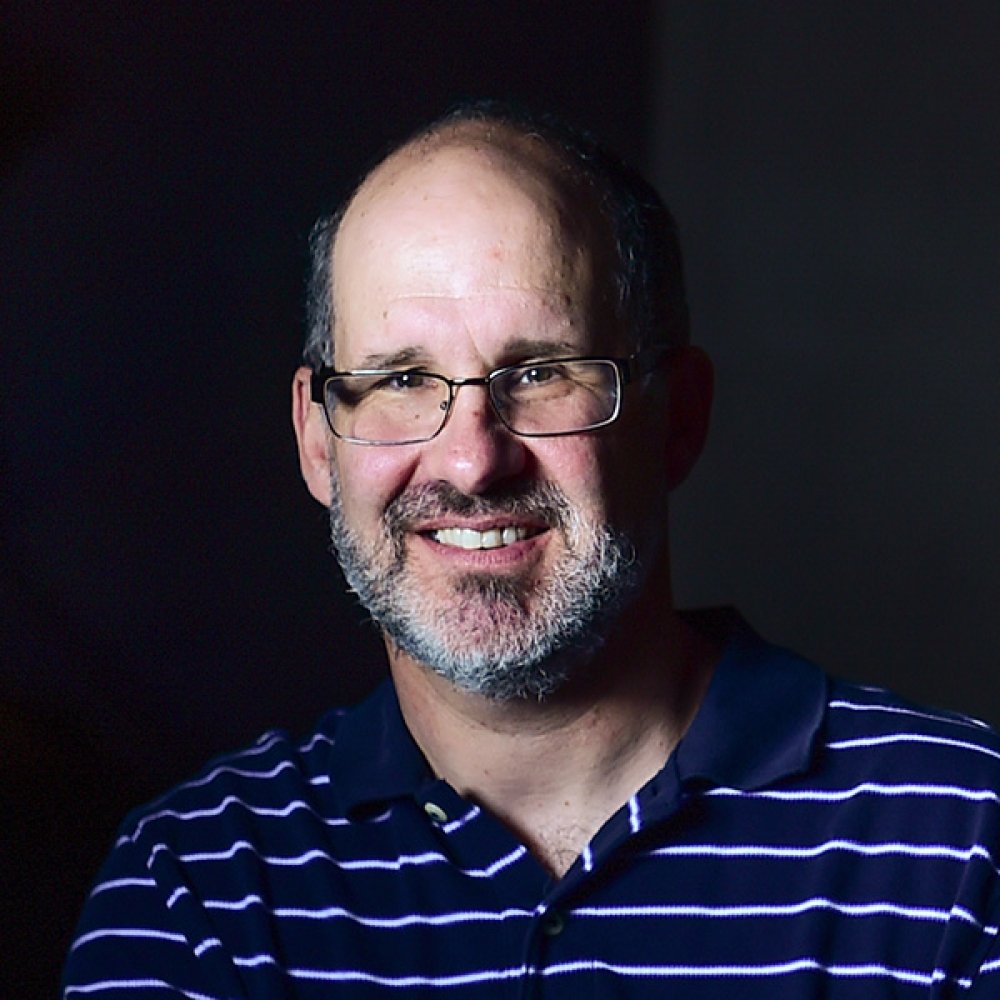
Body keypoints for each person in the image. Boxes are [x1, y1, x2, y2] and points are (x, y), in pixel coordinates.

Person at [62, 102, 1000, 997]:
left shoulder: (965, 845)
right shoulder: (195, 893)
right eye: (399, 378)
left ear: (680, 418)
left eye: (542, 373)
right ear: (317, 441)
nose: (473, 459)